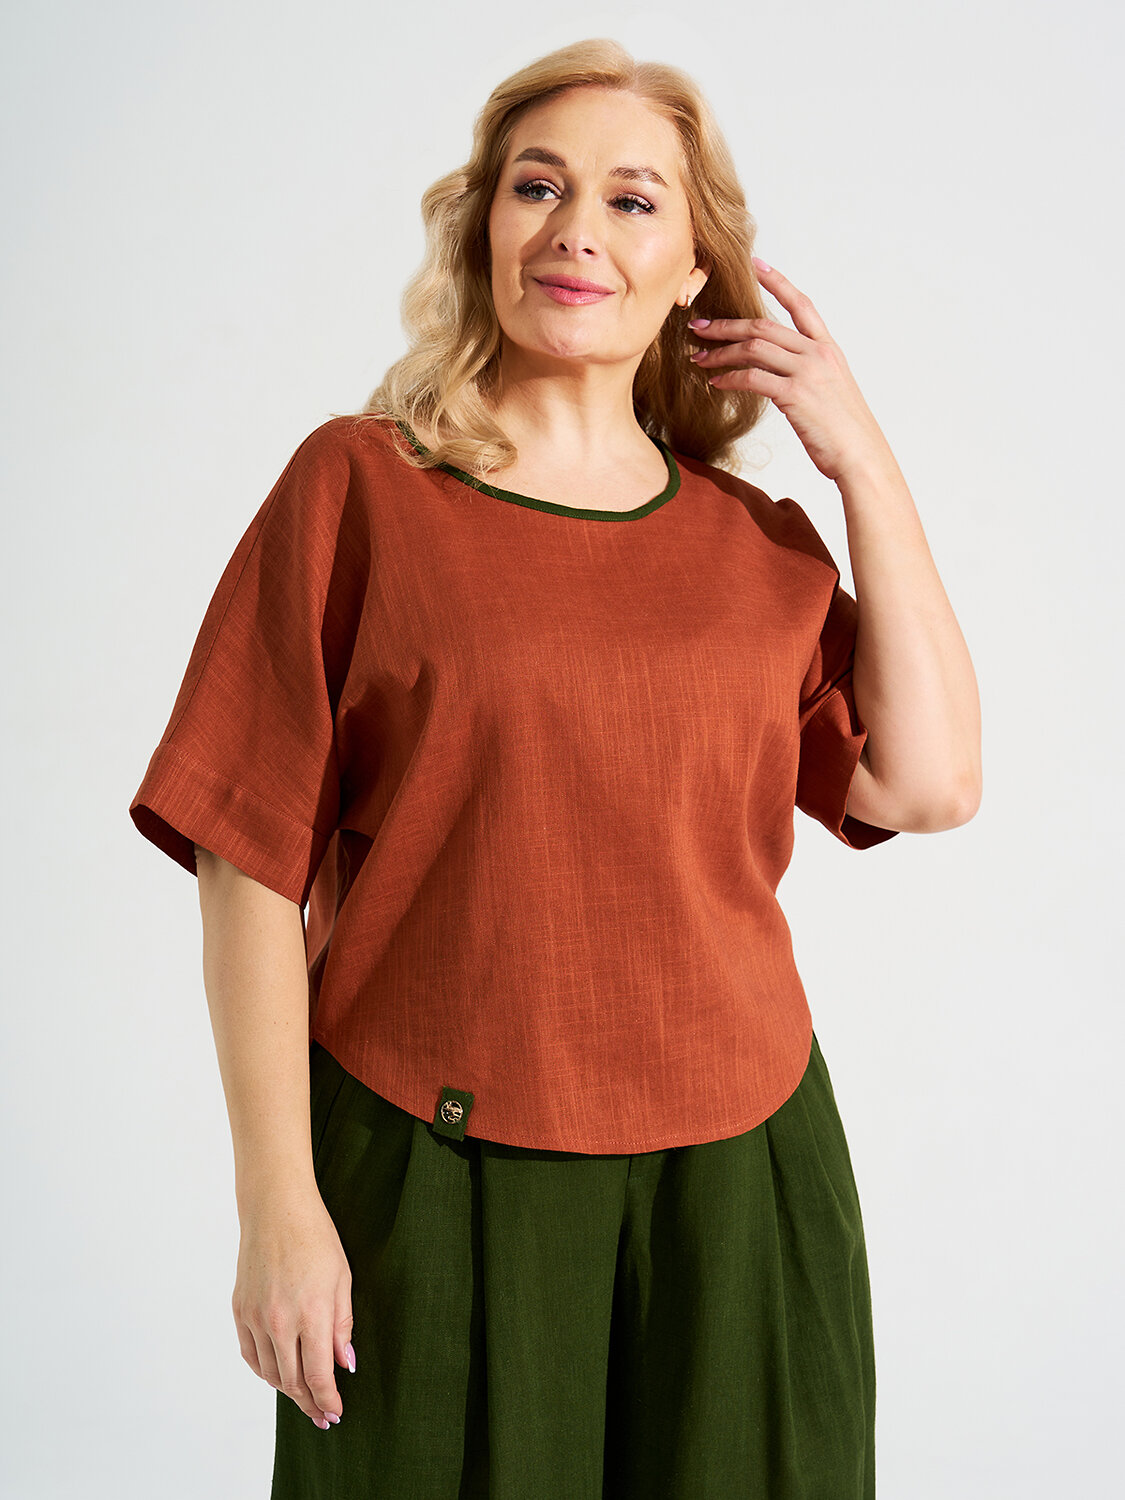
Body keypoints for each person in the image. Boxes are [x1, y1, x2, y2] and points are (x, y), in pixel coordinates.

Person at [128, 37, 981, 1500]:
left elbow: (928, 784)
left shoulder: (755, 548)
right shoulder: (360, 489)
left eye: (632, 200)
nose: (577, 227)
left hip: (740, 1181)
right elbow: (246, 854)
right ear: (484, 229)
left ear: (693, 268)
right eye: (538, 186)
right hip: (426, 1165)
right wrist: (278, 1205)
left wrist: (860, 462)